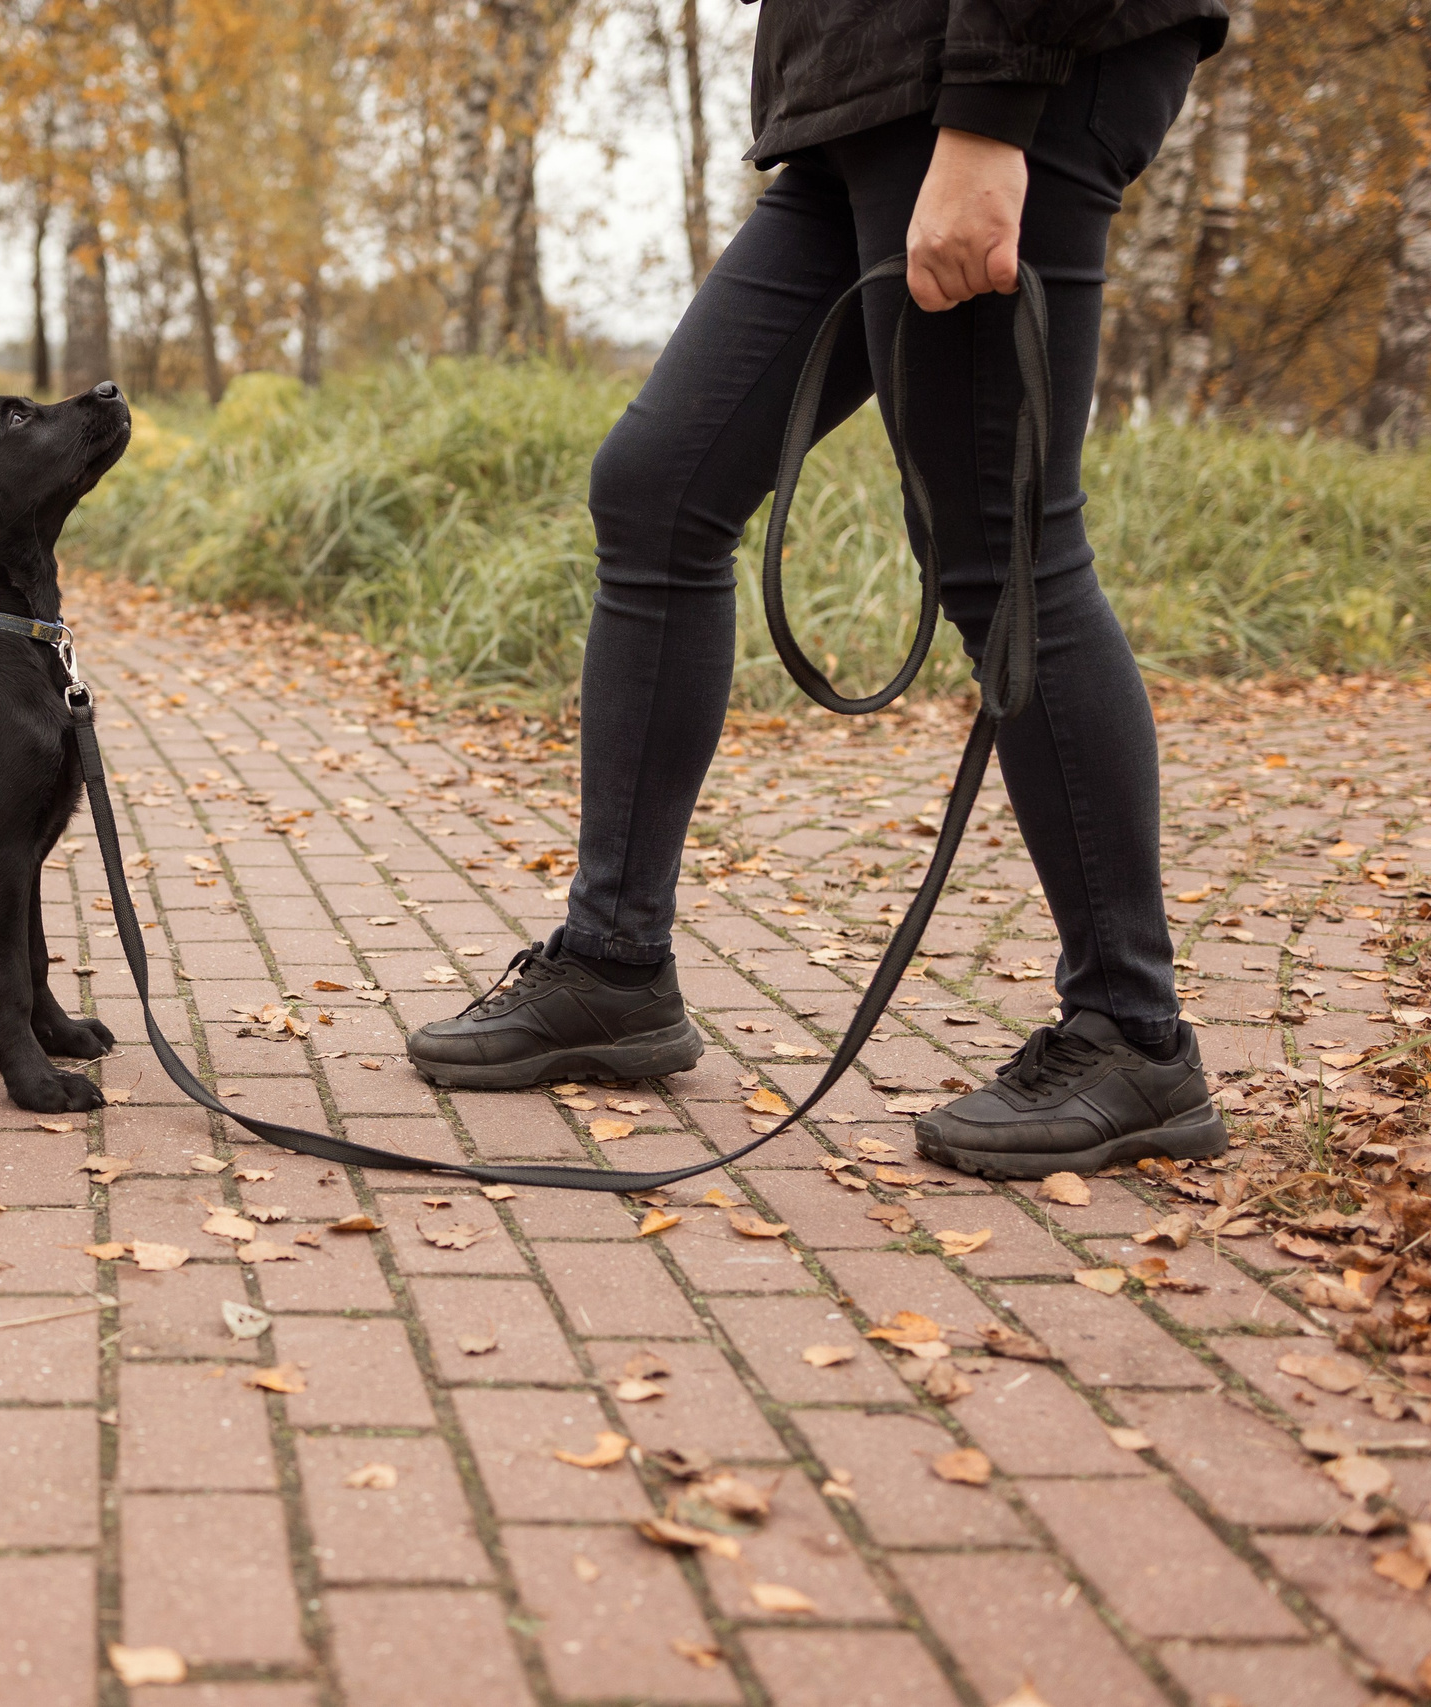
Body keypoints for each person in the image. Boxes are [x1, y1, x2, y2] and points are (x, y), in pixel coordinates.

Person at [404, 0, 1233, 1179]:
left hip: (994, 80)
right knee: (655, 490)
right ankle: (614, 964)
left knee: (1001, 550)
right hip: (860, 107)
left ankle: (1132, 1032)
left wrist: (992, 116)